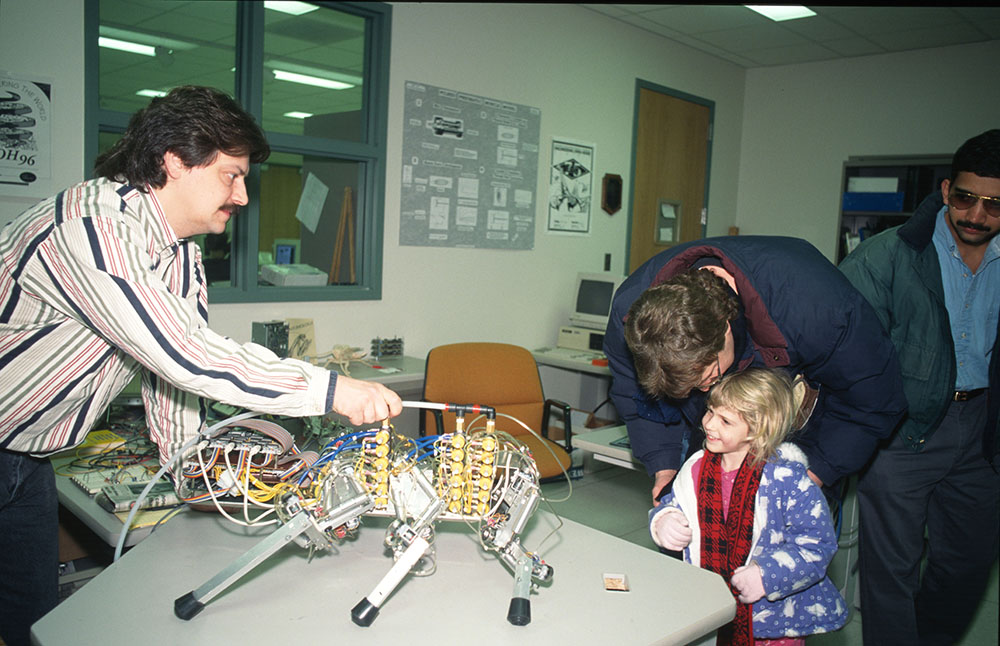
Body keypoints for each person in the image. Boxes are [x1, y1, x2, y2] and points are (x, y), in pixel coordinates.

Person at [0, 86, 403, 646]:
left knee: (31, 618)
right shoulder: (94, 228)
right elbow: (187, 355)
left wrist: (188, 476)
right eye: (231, 175)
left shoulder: (180, 252)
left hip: (29, 460)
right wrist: (332, 389)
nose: (241, 196)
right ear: (175, 161)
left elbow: (169, 382)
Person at [839, 129, 1000, 645]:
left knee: (966, 567)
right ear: (948, 188)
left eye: (995, 205)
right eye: (966, 198)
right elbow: (843, 348)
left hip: (983, 431)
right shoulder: (887, 255)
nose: (976, 215)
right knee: (892, 574)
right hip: (903, 432)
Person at [603, 235, 907, 504]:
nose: (705, 390)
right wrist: (663, 465)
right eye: (691, 387)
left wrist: (813, 475)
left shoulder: (818, 308)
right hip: (710, 432)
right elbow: (635, 397)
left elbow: (873, 400)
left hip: (802, 430)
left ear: (724, 328)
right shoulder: (633, 319)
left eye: (707, 377)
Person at [650, 368, 848, 645]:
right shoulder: (696, 466)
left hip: (774, 622)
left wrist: (766, 575)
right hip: (709, 609)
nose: (709, 424)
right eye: (710, 412)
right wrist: (664, 520)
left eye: (726, 421)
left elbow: (817, 546)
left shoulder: (788, 480)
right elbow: (673, 503)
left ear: (758, 429)